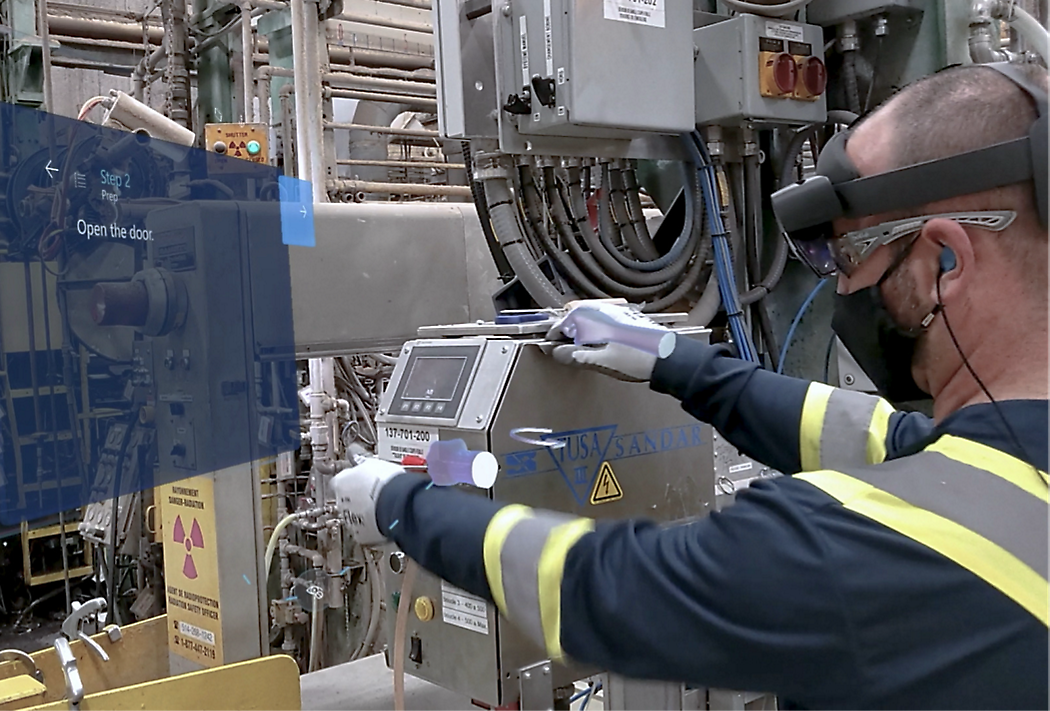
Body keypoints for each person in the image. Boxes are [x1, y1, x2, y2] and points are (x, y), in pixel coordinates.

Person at [333, 63, 1049, 710]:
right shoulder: (1002, 466)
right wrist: (669, 358)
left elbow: (608, 589)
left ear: (944, 263)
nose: (843, 285)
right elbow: (858, 433)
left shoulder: (853, 547)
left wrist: (401, 504)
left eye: (853, 256)